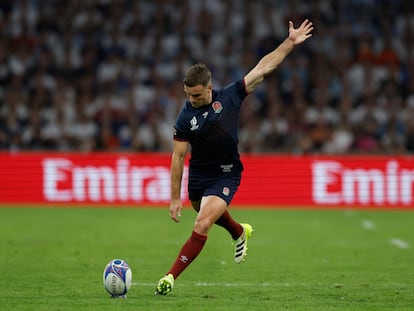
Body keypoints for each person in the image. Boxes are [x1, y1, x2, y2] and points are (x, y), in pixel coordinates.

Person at [155, 19, 313, 296]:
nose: (191, 99)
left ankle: (169, 277)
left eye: (196, 94)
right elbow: (178, 158)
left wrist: (289, 43)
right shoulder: (184, 117)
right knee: (203, 211)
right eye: (187, 95)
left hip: (226, 173)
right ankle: (239, 231)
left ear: (208, 87)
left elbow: (264, 67)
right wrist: (174, 197)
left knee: (202, 223)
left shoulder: (229, 96)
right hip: (199, 175)